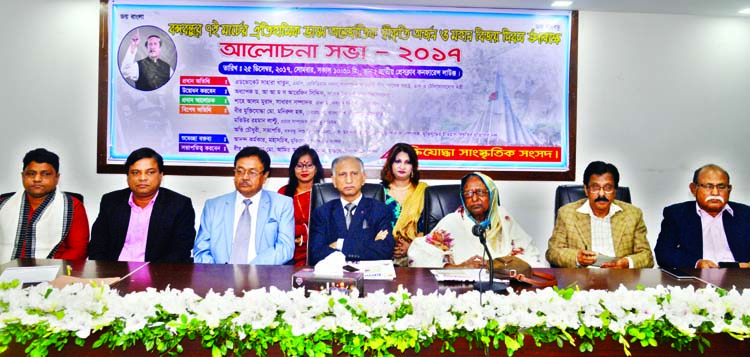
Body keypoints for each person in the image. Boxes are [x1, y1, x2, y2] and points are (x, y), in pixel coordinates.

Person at [409, 172, 544, 268]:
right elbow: (419, 254)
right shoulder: (452, 222)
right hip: (462, 288)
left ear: (491, 195)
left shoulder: (504, 218)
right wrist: (458, 267)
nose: (474, 199)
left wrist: (497, 266)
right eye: (468, 194)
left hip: (503, 285)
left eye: (480, 192)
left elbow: (530, 255)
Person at [88, 148, 195, 263]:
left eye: (150, 172)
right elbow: (97, 245)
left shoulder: (179, 205)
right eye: (135, 172)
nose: (142, 178)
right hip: (114, 271)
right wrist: (107, 272)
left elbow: (181, 249)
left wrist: (153, 275)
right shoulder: (111, 201)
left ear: (161, 175)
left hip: (158, 273)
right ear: (127, 176)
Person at [194, 147, 294, 265]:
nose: (245, 177)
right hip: (219, 278)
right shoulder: (213, 206)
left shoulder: (282, 204)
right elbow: (201, 250)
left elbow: (285, 248)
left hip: (263, 277)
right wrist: (218, 273)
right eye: (240, 171)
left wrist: (250, 270)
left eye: (252, 172)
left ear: (265, 175)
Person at [546, 161, 654, 268]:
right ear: (586, 190)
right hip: (582, 279)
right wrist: (577, 258)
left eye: (607, 188)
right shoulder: (567, 214)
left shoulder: (633, 214)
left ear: (615, 190)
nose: (601, 194)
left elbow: (647, 256)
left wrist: (626, 263)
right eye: (595, 187)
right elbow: (553, 252)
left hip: (619, 278)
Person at [0, 148, 89, 262]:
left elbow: (79, 249)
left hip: (54, 275)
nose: (37, 179)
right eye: (31, 174)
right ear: (23, 176)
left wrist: (51, 270)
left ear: (57, 177)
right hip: (4, 274)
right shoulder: (3, 204)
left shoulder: (72, 206)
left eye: (45, 174)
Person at [654, 164, 750, 268]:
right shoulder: (677, 214)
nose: (715, 192)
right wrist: (696, 263)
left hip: (740, 276)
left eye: (721, 187)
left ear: (729, 190)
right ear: (693, 189)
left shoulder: (745, 214)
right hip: (697, 278)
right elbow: (663, 252)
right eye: (709, 186)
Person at [308, 156, 394, 265]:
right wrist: (369, 245)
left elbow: (384, 250)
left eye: (354, 174)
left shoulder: (380, 210)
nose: (349, 180)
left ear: (363, 178)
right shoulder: (322, 213)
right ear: (334, 180)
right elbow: (317, 253)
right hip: (334, 276)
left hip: (370, 278)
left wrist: (340, 244)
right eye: (342, 174)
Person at [380, 143, 428, 267]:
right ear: (390, 164)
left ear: (413, 167)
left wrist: (411, 247)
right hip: (382, 255)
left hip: (417, 255)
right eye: (398, 161)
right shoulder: (378, 192)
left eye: (407, 162)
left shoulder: (424, 192)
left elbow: (428, 229)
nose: (402, 166)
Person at [277, 145, 325, 266]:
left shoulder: (325, 193)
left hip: (320, 251)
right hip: (290, 252)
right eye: (299, 165)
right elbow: (279, 226)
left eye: (309, 165)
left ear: (316, 168)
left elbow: (327, 228)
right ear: (293, 169)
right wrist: (304, 230)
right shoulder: (283, 193)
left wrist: (302, 236)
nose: (304, 170)